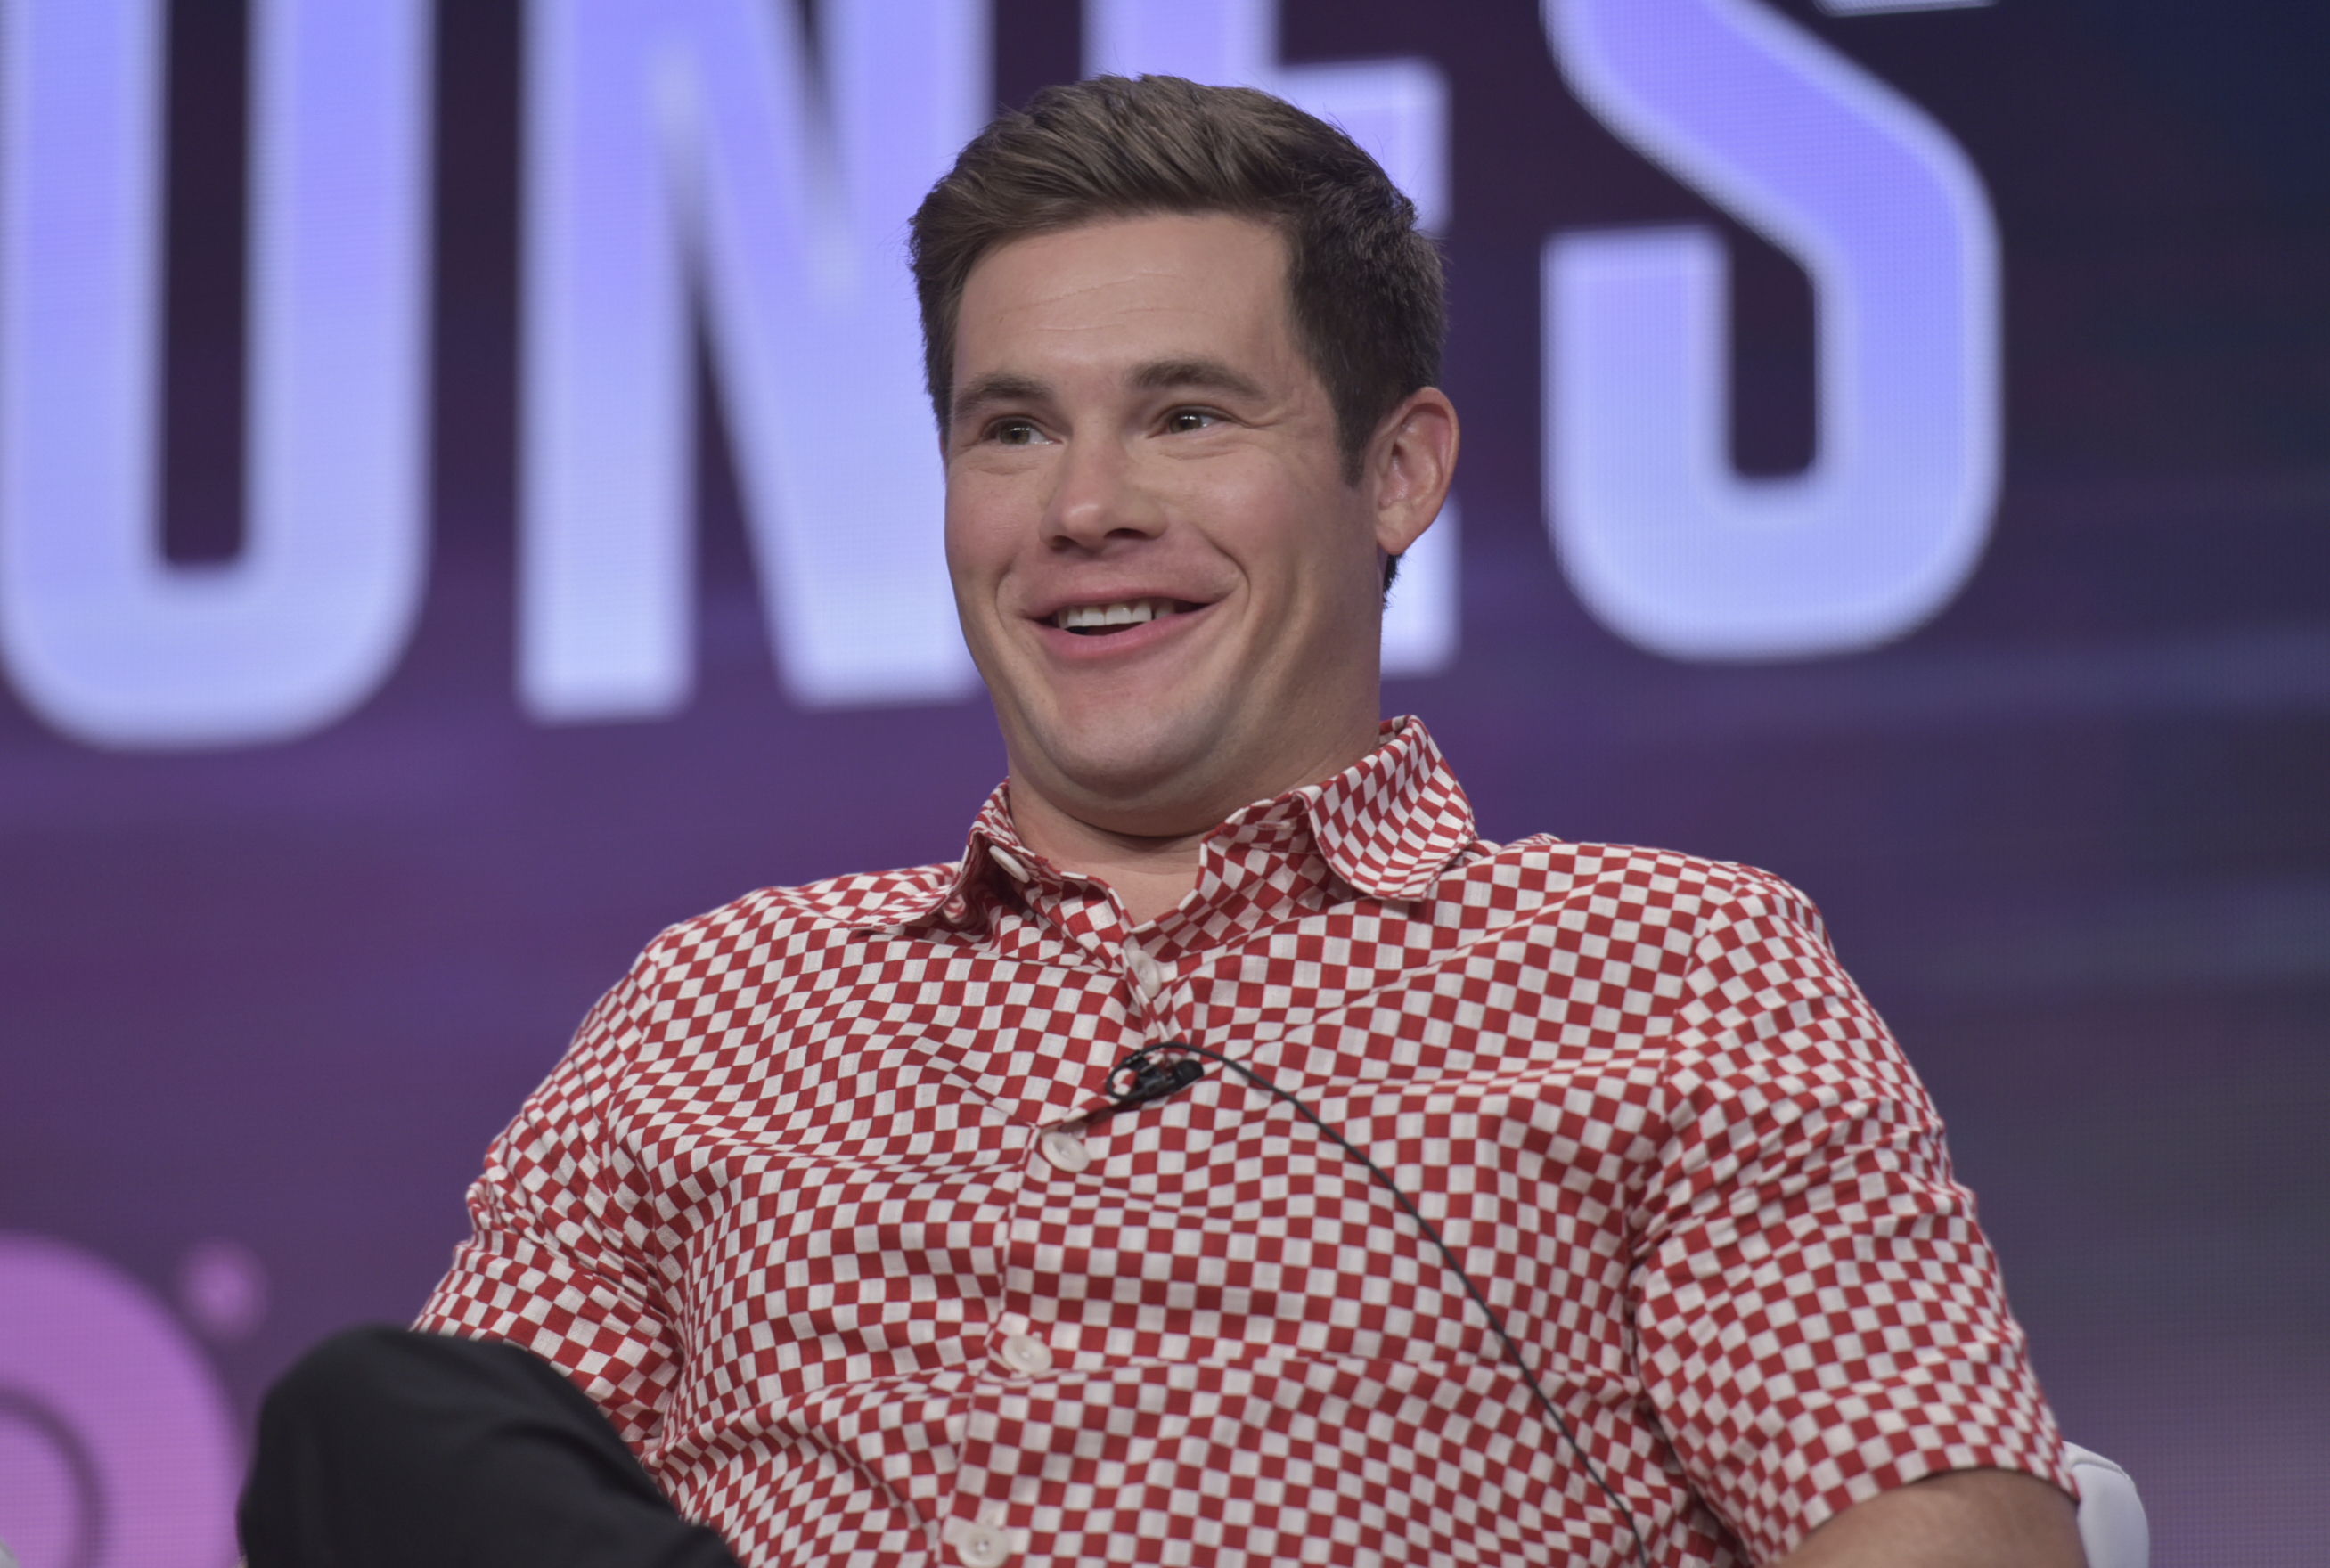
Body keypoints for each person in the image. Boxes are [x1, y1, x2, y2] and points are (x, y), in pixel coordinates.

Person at [241, 76, 2084, 1568]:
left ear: (1397, 471)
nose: (1085, 507)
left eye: (1188, 416)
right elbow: (452, 1497)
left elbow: (1951, 1534)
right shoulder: (720, 999)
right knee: (377, 1413)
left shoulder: (1670, 963)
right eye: (1013, 431)